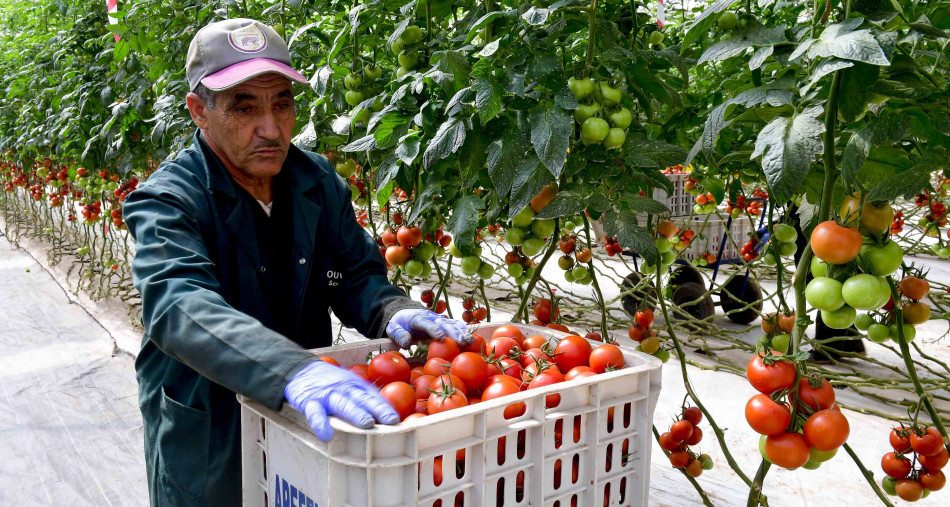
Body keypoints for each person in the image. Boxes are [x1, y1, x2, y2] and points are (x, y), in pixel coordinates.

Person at [123, 19, 471, 506]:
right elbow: (177, 305)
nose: (271, 129)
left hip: (306, 424)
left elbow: (353, 274)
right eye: (245, 107)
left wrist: (390, 309)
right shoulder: (169, 199)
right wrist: (291, 371)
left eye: (282, 104)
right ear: (199, 112)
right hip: (213, 429)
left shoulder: (314, 180)